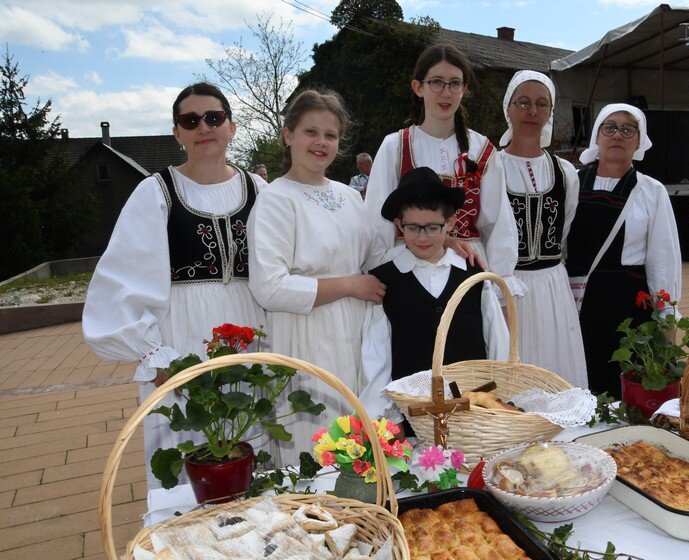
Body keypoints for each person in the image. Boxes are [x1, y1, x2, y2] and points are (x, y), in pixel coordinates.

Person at [82, 82, 268, 490]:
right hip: (183, 332)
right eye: (190, 120)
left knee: (253, 433)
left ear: (232, 127)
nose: (204, 127)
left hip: (251, 328)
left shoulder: (259, 190)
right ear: (177, 133)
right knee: (192, 443)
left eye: (214, 118)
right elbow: (123, 276)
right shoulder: (156, 192)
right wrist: (152, 353)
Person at [247, 89, 386, 465]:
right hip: (306, 334)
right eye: (311, 132)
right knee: (315, 443)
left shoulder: (348, 197)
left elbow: (378, 258)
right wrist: (350, 285)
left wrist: (442, 243)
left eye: (330, 135)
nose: (321, 142)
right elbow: (269, 287)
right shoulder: (277, 198)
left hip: (356, 333)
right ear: (288, 135)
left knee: (357, 441)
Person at [364, 43, 519, 295]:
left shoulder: (483, 150)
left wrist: (501, 288)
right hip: (411, 267)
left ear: (464, 89)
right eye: (436, 82)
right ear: (418, 87)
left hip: (469, 269)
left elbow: (498, 224)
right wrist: (380, 277)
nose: (446, 93)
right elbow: (377, 223)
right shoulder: (395, 147)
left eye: (454, 83)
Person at [359, 166, 509, 427]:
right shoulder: (385, 280)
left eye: (432, 227)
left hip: (473, 410)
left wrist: (501, 394)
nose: (423, 237)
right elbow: (376, 355)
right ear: (398, 225)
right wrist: (383, 417)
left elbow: (496, 337)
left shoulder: (473, 274)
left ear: (449, 223)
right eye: (413, 228)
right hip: (414, 413)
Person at [566, 103, 681, 399]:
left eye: (628, 129)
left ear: (639, 141)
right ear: (597, 136)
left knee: (622, 381)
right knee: (577, 377)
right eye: (610, 128)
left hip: (626, 305)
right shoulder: (572, 183)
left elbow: (663, 258)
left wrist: (666, 314)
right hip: (576, 299)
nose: (618, 135)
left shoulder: (651, 191)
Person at [498, 71, 587, 389]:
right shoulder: (490, 168)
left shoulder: (566, 173)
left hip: (552, 287)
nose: (531, 111)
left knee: (555, 372)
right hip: (504, 291)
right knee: (512, 376)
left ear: (550, 111)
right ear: (508, 108)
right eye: (523, 102)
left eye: (540, 103)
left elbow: (564, 231)